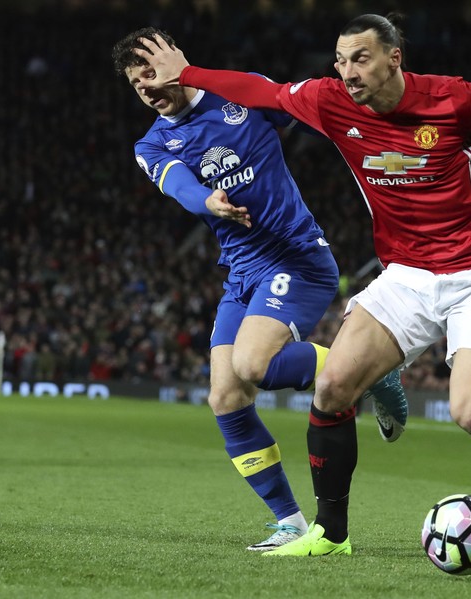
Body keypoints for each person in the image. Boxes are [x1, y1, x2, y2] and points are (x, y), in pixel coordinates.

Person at [133, 13, 471, 556]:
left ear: (393, 58)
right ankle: (329, 535)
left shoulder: (451, 99)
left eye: (360, 58)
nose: (348, 72)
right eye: (340, 61)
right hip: (406, 273)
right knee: (333, 387)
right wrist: (191, 73)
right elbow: (258, 90)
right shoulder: (330, 101)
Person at [111, 27, 407, 552]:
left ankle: (368, 370)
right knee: (226, 396)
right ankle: (290, 521)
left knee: (253, 365)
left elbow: (305, 110)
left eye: (152, 75)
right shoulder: (152, 143)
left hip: (296, 257)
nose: (149, 89)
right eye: (138, 85)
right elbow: (180, 184)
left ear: (178, 64)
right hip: (243, 273)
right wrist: (209, 201)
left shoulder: (238, 93)